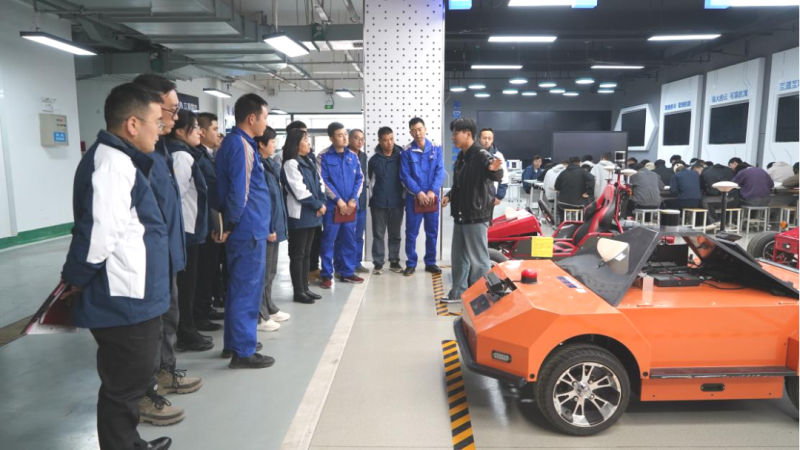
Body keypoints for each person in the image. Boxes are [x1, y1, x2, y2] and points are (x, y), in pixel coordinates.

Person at [61, 83, 173, 450]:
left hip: (135, 294)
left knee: (132, 378)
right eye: (157, 122)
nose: (161, 130)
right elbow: (100, 234)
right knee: (124, 384)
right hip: (124, 296)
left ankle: (129, 443)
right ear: (132, 124)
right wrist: (75, 279)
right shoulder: (112, 164)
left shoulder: (119, 159)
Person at [132, 74, 193, 426]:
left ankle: (166, 373)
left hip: (167, 255)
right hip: (148, 262)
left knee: (169, 318)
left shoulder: (160, 151)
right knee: (148, 331)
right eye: (170, 110)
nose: (174, 117)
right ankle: (146, 392)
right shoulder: (134, 158)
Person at [215, 93, 275, 369]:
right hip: (248, 229)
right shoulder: (242, 146)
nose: (266, 124)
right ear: (252, 118)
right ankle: (243, 351)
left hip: (245, 228)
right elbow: (241, 192)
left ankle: (234, 343)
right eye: (265, 118)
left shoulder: (235, 142)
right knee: (247, 290)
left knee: (238, 287)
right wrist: (231, 223)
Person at [440, 118, 504, 303]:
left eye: (455, 134)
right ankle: (458, 293)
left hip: (476, 215)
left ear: (468, 134)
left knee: (479, 260)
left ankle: (480, 296)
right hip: (461, 214)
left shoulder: (481, 154)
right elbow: (461, 183)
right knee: (459, 258)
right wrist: (450, 195)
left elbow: (494, 171)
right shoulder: (463, 156)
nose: (452, 137)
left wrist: (494, 170)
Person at [165, 110, 211, 352]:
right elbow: (177, 196)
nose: (200, 133)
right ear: (181, 132)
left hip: (190, 229)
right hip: (186, 230)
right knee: (185, 285)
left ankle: (188, 328)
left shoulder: (185, 153)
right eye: (195, 128)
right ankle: (186, 332)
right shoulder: (181, 156)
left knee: (188, 283)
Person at [281, 129, 325, 304]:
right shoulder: (291, 164)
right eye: (305, 140)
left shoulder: (309, 161)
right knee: (298, 254)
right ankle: (298, 291)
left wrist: (321, 203)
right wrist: (318, 205)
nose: (308, 143)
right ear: (295, 144)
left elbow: (320, 185)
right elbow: (299, 191)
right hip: (299, 216)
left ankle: (305, 288)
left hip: (313, 214)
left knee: (307, 253)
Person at [318, 122, 365, 288]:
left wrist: (353, 199)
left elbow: (360, 178)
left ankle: (347, 272)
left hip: (350, 207)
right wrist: (338, 200)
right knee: (328, 241)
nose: (345, 138)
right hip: (333, 208)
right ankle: (326, 274)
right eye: (340, 135)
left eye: (346, 134)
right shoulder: (323, 156)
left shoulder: (353, 156)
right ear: (331, 138)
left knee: (349, 240)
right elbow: (323, 181)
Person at [255, 127, 291, 331]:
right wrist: (269, 227)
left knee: (271, 272)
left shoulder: (269, 164)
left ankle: (269, 306)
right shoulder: (258, 165)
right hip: (266, 227)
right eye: (273, 142)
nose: (275, 145)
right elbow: (262, 200)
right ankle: (260, 316)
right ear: (261, 144)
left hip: (274, 225)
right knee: (262, 274)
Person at [400, 117, 445, 276]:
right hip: (414, 198)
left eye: (419, 129)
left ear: (425, 129)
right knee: (411, 232)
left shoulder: (436, 148)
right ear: (410, 132)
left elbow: (440, 171)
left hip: (432, 197)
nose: (417, 133)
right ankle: (411, 263)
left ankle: (430, 262)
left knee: (432, 232)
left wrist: (432, 190)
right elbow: (405, 175)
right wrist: (418, 192)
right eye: (413, 130)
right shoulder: (406, 151)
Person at [193, 112, 225, 330]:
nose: (218, 134)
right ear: (202, 132)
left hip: (211, 222)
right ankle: (199, 315)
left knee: (211, 269)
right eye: (214, 129)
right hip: (203, 224)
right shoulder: (197, 158)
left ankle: (206, 307)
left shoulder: (208, 155)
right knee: (202, 271)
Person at [369, 126, 405, 275]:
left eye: (391, 139)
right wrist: (373, 199)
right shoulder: (374, 160)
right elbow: (370, 182)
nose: (389, 143)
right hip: (378, 203)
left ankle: (394, 261)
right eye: (385, 140)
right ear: (379, 141)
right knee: (378, 235)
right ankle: (378, 264)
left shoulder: (402, 157)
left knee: (395, 234)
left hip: (397, 202)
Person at [334, 129, 369, 274]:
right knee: (342, 237)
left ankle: (356, 262)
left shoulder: (363, 156)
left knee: (358, 236)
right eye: (356, 138)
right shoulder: (343, 154)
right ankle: (339, 265)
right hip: (344, 203)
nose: (360, 141)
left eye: (362, 139)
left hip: (360, 202)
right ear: (349, 139)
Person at [554, 156, 595, 220]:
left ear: (569, 163)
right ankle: (579, 224)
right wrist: (588, 192)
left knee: (560, 208)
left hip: (562, 203)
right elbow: (592, 178)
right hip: (577, 204)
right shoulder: (583, 172)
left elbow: (557, 187)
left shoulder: (563, 173)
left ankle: (563, 224)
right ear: (579, 163)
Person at [701, 162, 739, 228]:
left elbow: (713, 192)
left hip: (729, 198)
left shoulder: (708, 172)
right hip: (735, 198)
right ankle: (722, 222)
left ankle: (716, 222)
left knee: (705, 201)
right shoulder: (728, 169)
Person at [479, 128, 509, 205]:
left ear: (492, 140)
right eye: (484, 138)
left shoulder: (498, 156)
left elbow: (504, 177)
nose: (486, 141)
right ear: (479, 139)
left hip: (490, 195)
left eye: (489, 138)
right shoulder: (474, 154)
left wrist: (499, 196)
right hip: (474, 195)